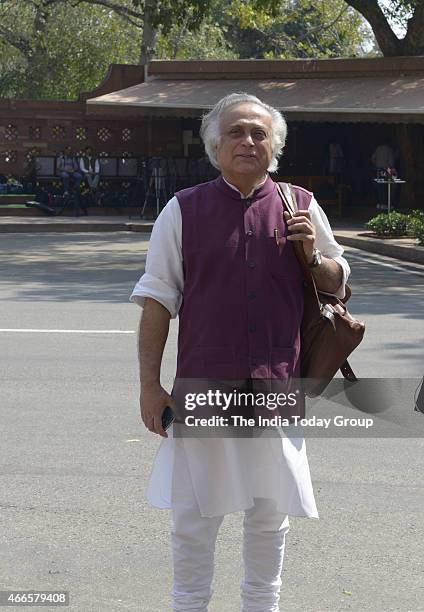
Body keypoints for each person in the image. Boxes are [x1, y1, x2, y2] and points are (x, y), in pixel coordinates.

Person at [130, 93, 351, 612]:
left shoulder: (301, 204)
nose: (248, 141)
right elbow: (157, 300)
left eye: (258, 133)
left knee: (269, 517)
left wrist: (313, 256)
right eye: (236, 132)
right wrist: (148, 385)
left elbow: (339, 280)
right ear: (215, 145)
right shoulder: (182, 210)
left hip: (277, 389)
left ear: (273, 144)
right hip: (205, 388)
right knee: (193, 518)